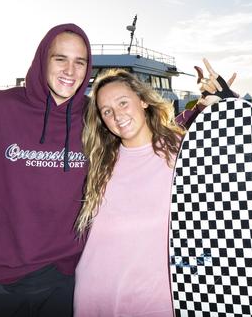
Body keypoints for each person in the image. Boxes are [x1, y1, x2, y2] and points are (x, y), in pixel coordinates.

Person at [73, 62, 236, 316]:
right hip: (94, 296)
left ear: (143, 101)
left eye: (123, 103)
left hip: (155, 300)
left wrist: (227, 104)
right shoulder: (100, 159)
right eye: (106, 111)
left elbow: (238, 163)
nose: (116, 115)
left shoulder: (181, 149)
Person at [0, 24, 92, 316]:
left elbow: (147, 143)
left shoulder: (95, 119)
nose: (70, 70)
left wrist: (212, 110)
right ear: (42, 59)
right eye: (60, 58)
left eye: (80, 62)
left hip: (64, 276)